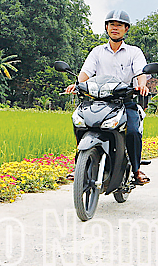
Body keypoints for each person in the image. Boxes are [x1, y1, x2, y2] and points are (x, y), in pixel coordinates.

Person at [65, 10, 151, 185]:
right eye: (112, 24)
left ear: (126, 29)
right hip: (98, 101)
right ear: (106, 27)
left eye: (119, 25)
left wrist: (142, 85)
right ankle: (80, 166)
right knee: (81, 125)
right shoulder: (97, 52)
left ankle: (136, 170)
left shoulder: (134, 52)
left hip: (124, 101)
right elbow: (86, 72)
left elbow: (141, 72)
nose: (115, 28)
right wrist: (77, 84)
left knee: (133, 131)